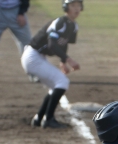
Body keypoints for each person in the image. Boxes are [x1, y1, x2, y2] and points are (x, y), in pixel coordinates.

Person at [21, 0, 82, 129]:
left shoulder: (73, 25)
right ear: (66, 8)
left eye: (78, 5)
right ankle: (49, 119)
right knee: (62, 81)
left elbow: (63, 44)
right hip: (32, 56)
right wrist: (69, 60)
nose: (76, 9)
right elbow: (52, 44)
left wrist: (63, 62)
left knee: (56, 85)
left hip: (38, 57)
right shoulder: (60, 22)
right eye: (73, 5)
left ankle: (39, 118)